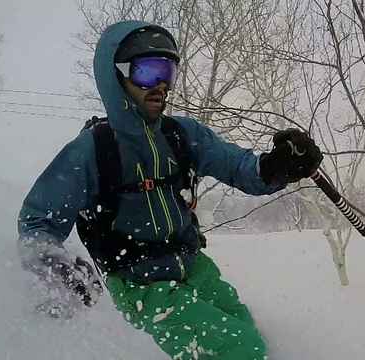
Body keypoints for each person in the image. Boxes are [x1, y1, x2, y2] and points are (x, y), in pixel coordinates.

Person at [16, 19, 323, 360]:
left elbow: (238, 167)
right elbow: (38, 220)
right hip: (142, 285)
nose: (160, 84)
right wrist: (52, 262)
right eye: (147, 72)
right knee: (239, 349)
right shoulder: (93, 150)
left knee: (251, 333)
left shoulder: (181, 135)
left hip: (193, 267)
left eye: (168, 71)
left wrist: (276, 167)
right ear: (116, 76)